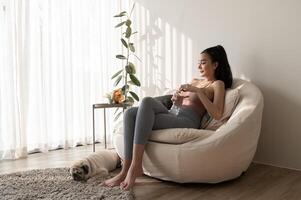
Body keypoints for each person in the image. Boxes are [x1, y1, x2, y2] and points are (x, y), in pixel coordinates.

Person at [102, 45, 233, 190]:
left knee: (146, 102)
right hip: (173, 113)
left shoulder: (217, 84)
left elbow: (218, 114)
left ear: (215, 64)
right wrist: (176, 98)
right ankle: (125, 169)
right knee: (130, 113)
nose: (199, 66)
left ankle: (136, 165)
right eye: (198, 62)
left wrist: (197, 91)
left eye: (203, 62)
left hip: (187, 120)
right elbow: (180, 102)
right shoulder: (194, 80)